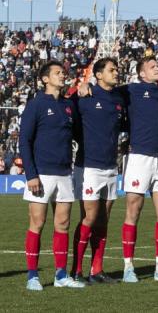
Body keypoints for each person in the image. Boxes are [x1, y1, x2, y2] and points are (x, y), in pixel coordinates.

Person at [20, 61, 85, 290]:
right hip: (41, 173)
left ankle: (60, 275)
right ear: (45, 79)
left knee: (63, 224)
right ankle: (32, 276)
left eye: (63, 72)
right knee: (37, 223)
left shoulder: (69, 105)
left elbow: (79, 133)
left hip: (64, 173)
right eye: (57, 72)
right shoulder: (35, 104)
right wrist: (31, 175)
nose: (62, 74)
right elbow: (24, 141)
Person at [115, 56, 158, 282]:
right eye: (152, 67)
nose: (157, 68)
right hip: (139, 158)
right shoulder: (131, 90)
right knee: (134, 211)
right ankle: (128, 267)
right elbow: (108, 92)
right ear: (141, 73)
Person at [70, 58, 124, 284]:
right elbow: (68, 111)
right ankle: (77, 270)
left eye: (117, 69)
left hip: (111, 166)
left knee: (103, 219)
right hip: (89, 166)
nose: (116, 72)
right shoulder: (85, 97)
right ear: (98, 75)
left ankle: (97, 270)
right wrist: (78, 87)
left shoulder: (120, 98)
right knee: (89, 217)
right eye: (111, 70)